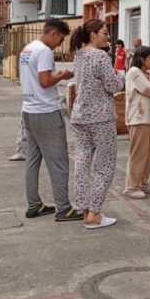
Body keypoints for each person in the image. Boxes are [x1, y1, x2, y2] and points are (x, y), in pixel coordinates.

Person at [20, 19, 83, 222]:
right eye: (61, 39)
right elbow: (45, 81)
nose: (60, 44)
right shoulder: (44, 51)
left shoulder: (27, 49)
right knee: (59, 162)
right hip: (45, 111)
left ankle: (34, 205)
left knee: (32, 159)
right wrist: (63, 75)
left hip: (28, 110)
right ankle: (63, 208)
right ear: (54, 33)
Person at [70, 19, 125, 228]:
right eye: (104, 33)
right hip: (101, 117)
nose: (107, 36)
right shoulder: (100, 56)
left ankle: (84, 209)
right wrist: (121, 76)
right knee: (105, 166)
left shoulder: (79, 55)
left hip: (80, 115)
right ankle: (94, 214)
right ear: (93, 34)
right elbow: (113, 85)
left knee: (82, 164)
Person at [124, 46, 150, 199]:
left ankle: (143, 182)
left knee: (147, 153)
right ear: (142, 59)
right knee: (138, 153)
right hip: (138, 118)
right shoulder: (135, 73)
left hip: (148, 117)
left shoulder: (144, 74)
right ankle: (132, 186)